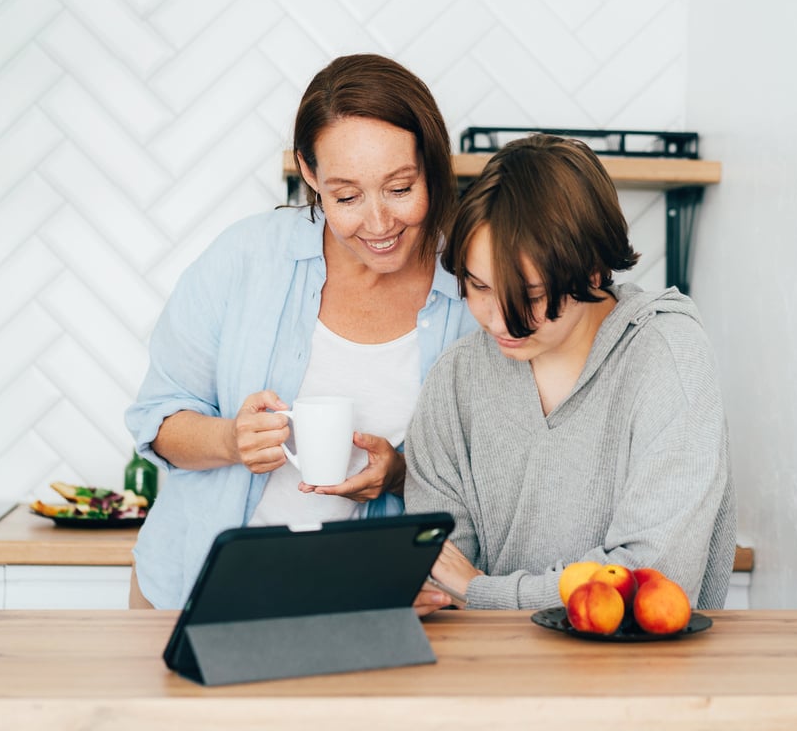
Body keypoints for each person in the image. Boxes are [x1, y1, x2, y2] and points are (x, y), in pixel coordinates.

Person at [125, 54, 477, 609]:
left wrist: (399, 471)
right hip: (198, 590)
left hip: (365, 600)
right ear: (310, 175)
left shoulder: (472, 285)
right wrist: (230, 440)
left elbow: (492, 462)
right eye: (347, 197)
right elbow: (158, 420)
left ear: (432, 166)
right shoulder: (247, 257)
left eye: (401, 188)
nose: (380, 223)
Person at [405, 134, 736, 614]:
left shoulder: (668, 355)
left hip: (640, 678)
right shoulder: (457, 377)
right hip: (486, 676)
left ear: (595, 272)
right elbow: (439, 577)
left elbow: (652, 580)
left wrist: (482, 591)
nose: (499, 321)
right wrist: (464, 590)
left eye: (532, 296)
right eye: (479, 287)